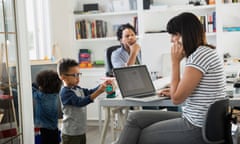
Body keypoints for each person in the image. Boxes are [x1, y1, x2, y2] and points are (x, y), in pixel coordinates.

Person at [116, 12, 225, 144]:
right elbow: (187, 91)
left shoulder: (198, 56)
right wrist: (174, 90)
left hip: (196, 127)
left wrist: (175, 62)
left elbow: (177, 99)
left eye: (174, 35)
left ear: (186, 34)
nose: (171, 40)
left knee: (140, 135)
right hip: (200, 121)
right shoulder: (204, 52)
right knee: (135, 118)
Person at [57, 58, 111, 144]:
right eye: (74, 75)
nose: (78, 78)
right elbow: (80, 102)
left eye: (79, 74)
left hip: (80, 130)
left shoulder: (77, 88)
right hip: (71, 133)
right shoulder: (65, 92)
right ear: (63, 77)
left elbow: (89, 92)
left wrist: (101, 85)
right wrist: (99, 91)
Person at [32, 70, 62, 144]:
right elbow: (38, 89)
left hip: (44, 128)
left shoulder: (41, 96)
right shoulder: (55, 94)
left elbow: (32, 91)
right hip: (54, 127)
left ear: (43, 87)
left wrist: (32, 85)